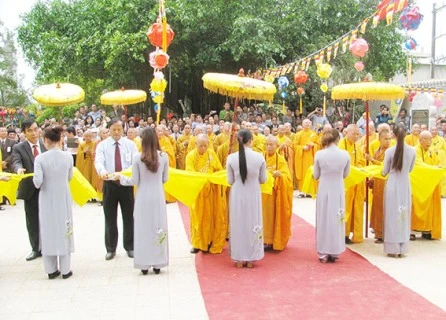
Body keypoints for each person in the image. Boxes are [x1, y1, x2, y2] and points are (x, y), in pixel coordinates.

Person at [118, 127, 169, 275]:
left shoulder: (137, 158)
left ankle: (144, 264)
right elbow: (165, 179)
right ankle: (158, 262)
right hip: (158, 196)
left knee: (143, 228)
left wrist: (121, 178)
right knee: (158, 226)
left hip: (142, 197)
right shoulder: (164, 156)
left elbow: (134, 180)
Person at [33, 126, 74, 279]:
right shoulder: (68, 157)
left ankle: (51, 270)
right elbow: (69, 177)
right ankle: (65, 269)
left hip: (46, 197)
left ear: (46, 140)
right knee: (65, 228)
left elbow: (37, 182)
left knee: (48, 229)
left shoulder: (40, 158)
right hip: (63, 195)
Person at [95, 118, 138, 260]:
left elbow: (135, 163)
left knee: (129, 217)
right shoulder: (102, 146)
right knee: (110, 217)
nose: (117, 132)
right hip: (110, 184)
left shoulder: (130, 145)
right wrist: (102, 171)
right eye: (114, 129)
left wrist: (124, 174)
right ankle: (111, 248)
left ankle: (130, 246)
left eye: (119, 129)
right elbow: (99, 161)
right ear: (109, 130)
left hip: (126, 184)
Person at [226, 129, 267, 268]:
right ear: (251, 140)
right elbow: (263, 179)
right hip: (253, 193)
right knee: (252, 222)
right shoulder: (259, 157)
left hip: (237, 194)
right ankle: (251, 258)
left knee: (238, 223)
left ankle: (238, 258)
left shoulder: (231, 158)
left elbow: (230, 180)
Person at [12, 120, 47, 261]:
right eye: (30, 131)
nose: (34, 133)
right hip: (30, 190)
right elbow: (16, 161)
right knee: (32, 221)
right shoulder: (19, 147)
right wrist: (18, 169)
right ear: (24, 133)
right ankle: (35, 248)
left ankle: (49, 246)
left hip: (47, 188)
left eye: (35, 129)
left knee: (48, 219)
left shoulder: (45, 145)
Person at [185, 134, 227, 254]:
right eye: (201, 145)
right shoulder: (190, 156)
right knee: (198, 218)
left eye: (205, 145)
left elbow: (218, 169)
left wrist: (216, 176)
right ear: (196, 144)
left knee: (211, 217)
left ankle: (210, 241)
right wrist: (202, 179)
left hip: (211, 192)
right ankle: (197, 243)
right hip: (198, 192)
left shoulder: (211, 154)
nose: (203, 148)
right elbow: (190, 172)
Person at [313, 129, 350, 263]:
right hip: (338, 188)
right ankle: (335, 250)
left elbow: (316, 175)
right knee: (336, 218)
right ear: (338, 139)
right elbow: (346, 174)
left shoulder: (319, 154)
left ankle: (323, 252)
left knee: (323, 218)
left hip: (324, 188)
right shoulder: (345, 154)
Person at [381, 125, 416, 257]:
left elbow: (385, 171)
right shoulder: (412, 151)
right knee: (403, 214)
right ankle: (402, 247)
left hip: (393, 185)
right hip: (405, 184)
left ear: (393, 135)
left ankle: (392, 247)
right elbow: (411, 169)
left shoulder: (389, 151)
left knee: (391, 215)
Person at [262, 136, 293, 251]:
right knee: (262, 217)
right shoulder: (260, 157)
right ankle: (262, 239)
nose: (269, 147)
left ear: (277, 146)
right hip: (261, 193)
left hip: (274, 194)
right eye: (267, 144)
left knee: (272, 217)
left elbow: (288, 178)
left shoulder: (280, 159)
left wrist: (280, 175)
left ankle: (272, 241)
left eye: (271, 145)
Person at [411, 131, 442, 240]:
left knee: (429, 208)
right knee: (415, 207)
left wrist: (437, 168)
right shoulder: (414, 151)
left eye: (430, 139)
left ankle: (427, 230)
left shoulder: (432, 151)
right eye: (426, 139)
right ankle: (412, 231)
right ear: (420, 140)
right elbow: (418, 164)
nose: (429, 142)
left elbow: (437, 163)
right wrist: (434, 169)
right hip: (417, 185)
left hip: (429, 184)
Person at [339, 124, 365, 244]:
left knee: (356, 208)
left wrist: (358, 168)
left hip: (356, 182)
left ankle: (355, 233)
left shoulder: (357, 146)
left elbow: (361, 161)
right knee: (345, 208)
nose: (355, 136)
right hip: (345, 183)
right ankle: (342, 233)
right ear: (346, 133)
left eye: (357, 134)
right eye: (353, 134)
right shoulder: (340, 145)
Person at [365, 129, 393, 243]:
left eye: (389, 138)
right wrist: (371, 179)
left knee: (384, 207)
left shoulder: (390, 152)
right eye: (385, 139)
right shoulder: (377, 150)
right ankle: (378, 232)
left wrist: (371, 159)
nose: (388, 141)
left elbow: (384, 166)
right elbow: (375, 169)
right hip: (378, 183)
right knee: (377, 206)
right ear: (379, 139)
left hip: (386, 181)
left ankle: (385, 233)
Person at [293, 119, 319, 193]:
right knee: (302, 173)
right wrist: (302, 148)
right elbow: (294, 146)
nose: (307, 124)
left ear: (311, 124)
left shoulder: (314, 134)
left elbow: (318, 145)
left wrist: (313, 145)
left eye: (308, 123)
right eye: (306, 122)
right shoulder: (298, 134)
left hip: (311, 157)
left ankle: (311, 191)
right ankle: (302, 191)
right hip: (301, 157)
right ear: (302, 124)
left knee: (311, 172)